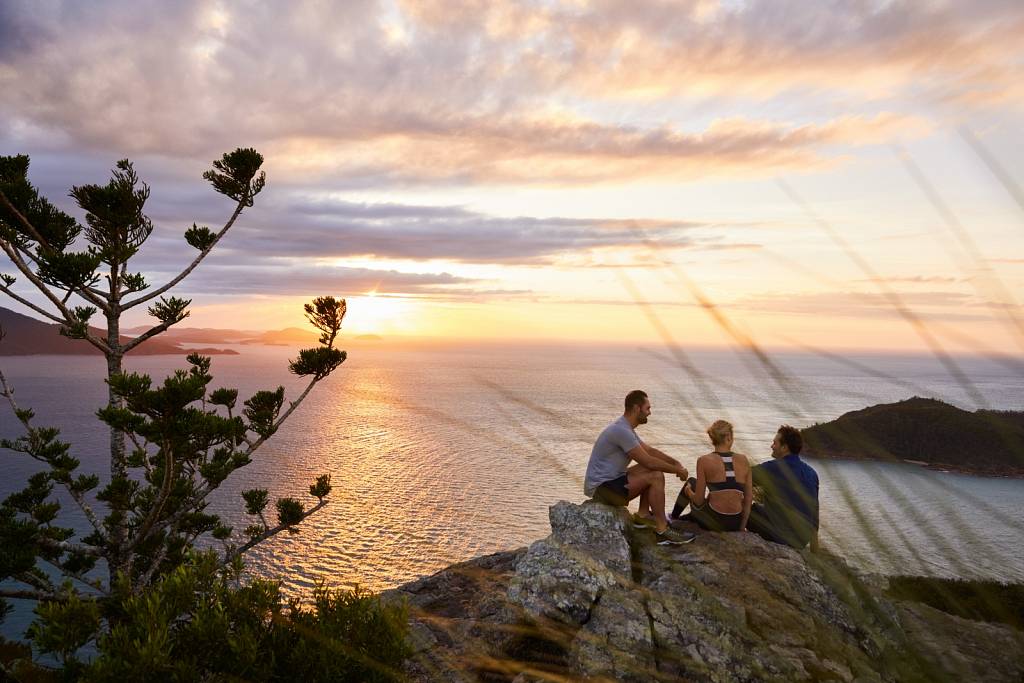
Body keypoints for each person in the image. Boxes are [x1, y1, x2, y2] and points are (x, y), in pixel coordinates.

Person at [584, 390, 695, 545]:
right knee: (655, 475)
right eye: (647, 408)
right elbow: (649, 461)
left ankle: (642, 517)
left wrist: (676, 463)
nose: (649, 413)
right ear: (637, 408)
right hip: (603, 489)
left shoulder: (625, 428)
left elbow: (650, 451)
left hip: (610, 482)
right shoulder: (621, 431)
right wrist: (677, 471)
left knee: (651, 470)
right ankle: (662, 531)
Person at [669, 420, 752, 532]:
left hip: (713, 522)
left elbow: (698, 501)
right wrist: (741, 528)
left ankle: (673, 518)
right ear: (728, 437)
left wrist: (688, 492)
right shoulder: (744, 460)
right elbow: (748, 499)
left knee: (692, 482)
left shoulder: (704, 460)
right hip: (735, 523)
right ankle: (684, 518)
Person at [746, 425, 820, 550]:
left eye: (775, 443)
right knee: (762, 508)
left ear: (784, 447)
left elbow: (743, 477)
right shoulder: (812, 473)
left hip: (781, 536)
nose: (771, 446)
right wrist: (814, 547)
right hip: (802, 540)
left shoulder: (774, 468)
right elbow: (814, 510)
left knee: (747, 509)